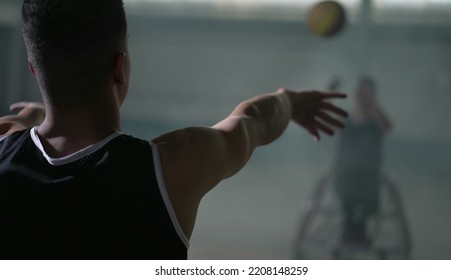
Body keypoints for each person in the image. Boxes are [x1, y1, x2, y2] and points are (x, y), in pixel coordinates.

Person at [0, 0, 348, 260]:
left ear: (34, 69)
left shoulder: (5, 147)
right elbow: (255, 121)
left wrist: (36, 120)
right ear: (120, 67)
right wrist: (290, 102)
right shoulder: (173, 166)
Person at [331, 76, 392, 247]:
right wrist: (331, 94)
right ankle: (350, 235)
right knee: (349, 204)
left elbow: (387, 127)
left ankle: (360, 235)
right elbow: (330, 119)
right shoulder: (348, 120)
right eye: (361, 93)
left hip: (369, 174)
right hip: (347, 173)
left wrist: (372, 105)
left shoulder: (375, 121)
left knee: (366, 205)